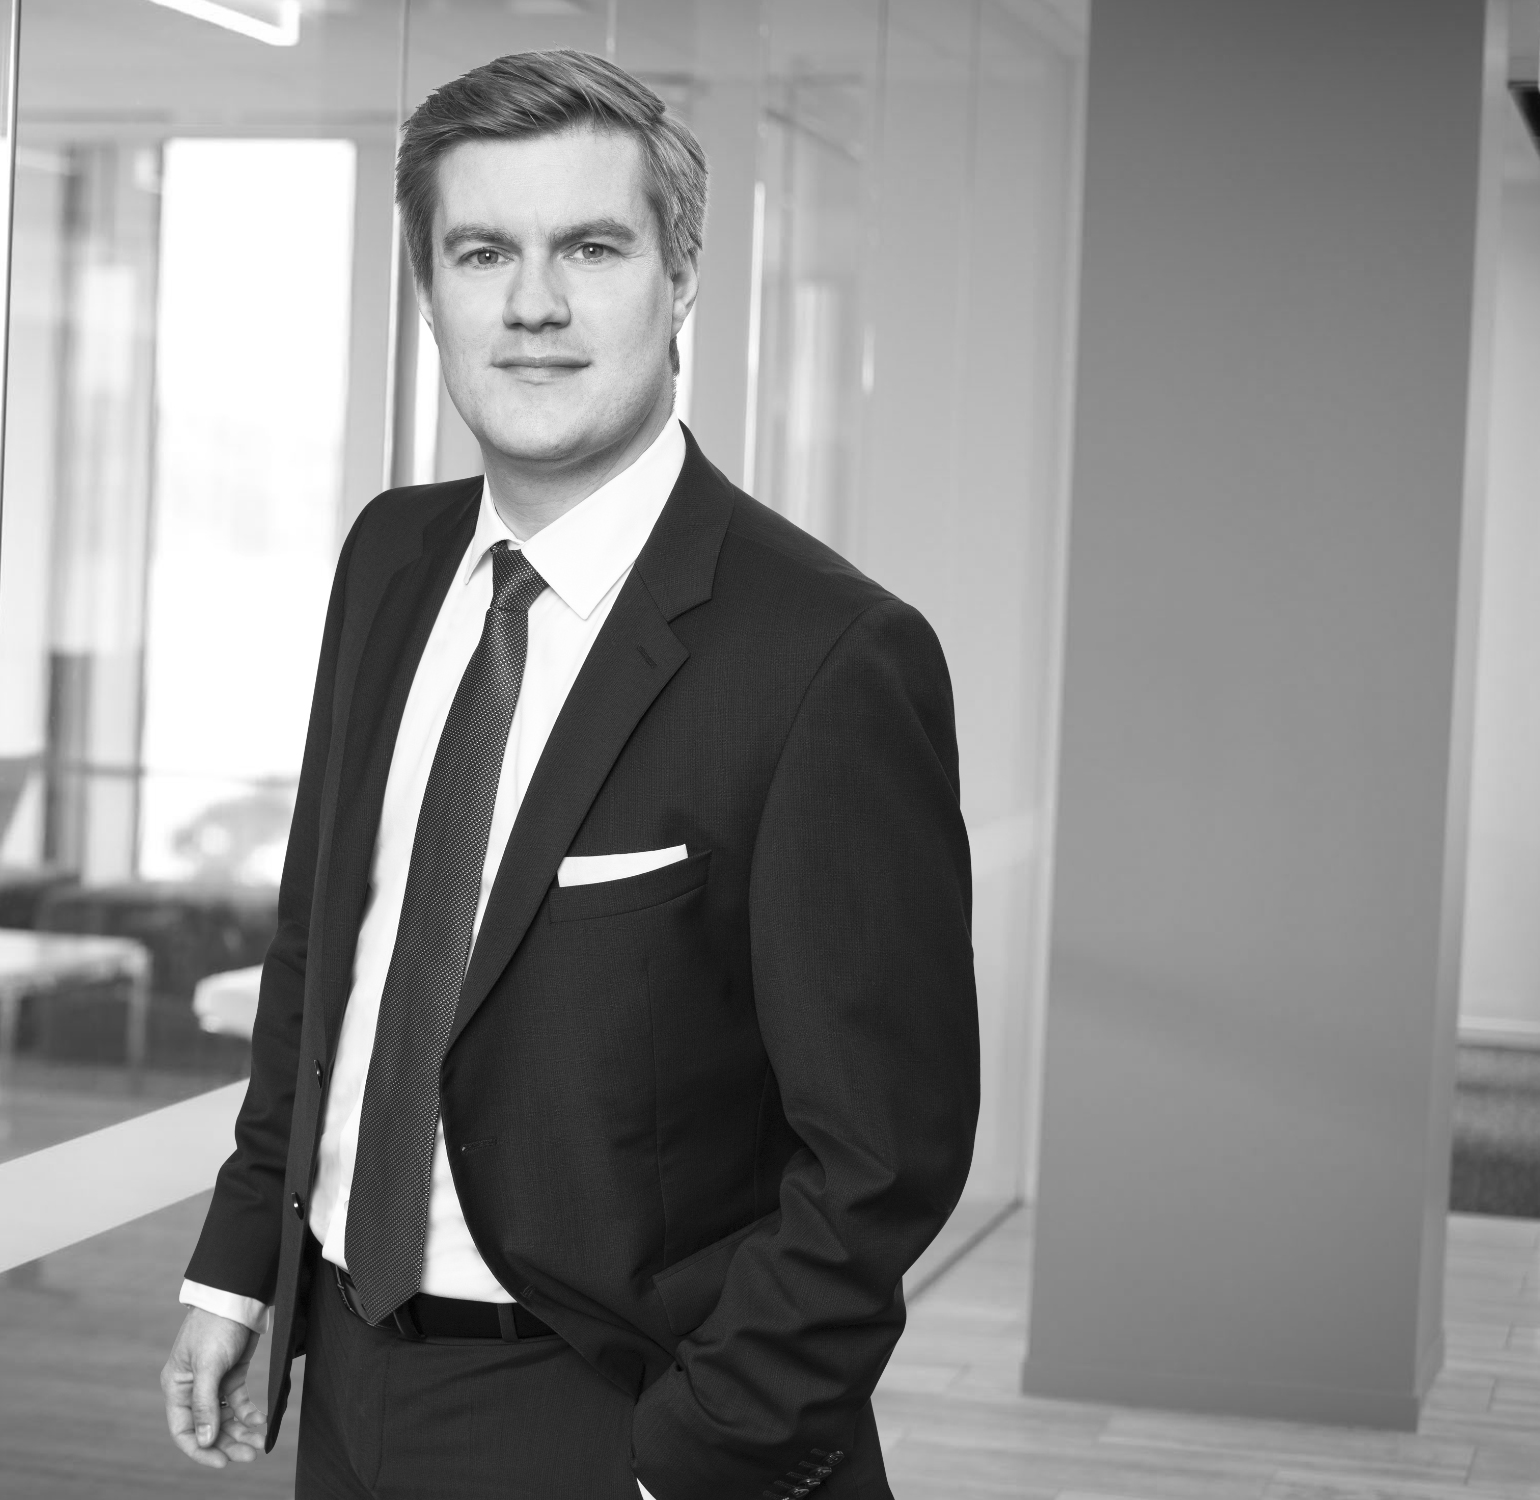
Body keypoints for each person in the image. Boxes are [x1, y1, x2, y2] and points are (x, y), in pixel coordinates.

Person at [155, 48, 979, 1500]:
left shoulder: (829, 656)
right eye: (484, 253)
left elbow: (882, 1157)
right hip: (345, 1375)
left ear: (681, 276)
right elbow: (328, 955)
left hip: (618, 1408)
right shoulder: (390, 559)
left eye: (591, 249)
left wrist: (696, 1457)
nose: (533, 304)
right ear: (430, 293)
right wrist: (240, 1269)